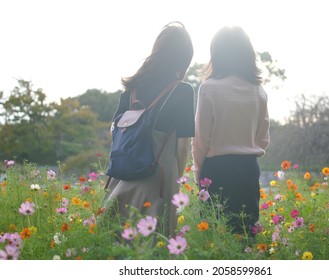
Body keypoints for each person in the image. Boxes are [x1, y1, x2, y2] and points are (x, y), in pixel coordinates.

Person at [103, 22, 195, 238]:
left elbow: (114, 130)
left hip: (121, 177)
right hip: (158, 179)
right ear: (184, 57)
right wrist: (176, 180)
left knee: (113, 242)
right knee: (154, 244)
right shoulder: (182, 90)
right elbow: (183, 147)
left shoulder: (132, 87)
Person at [191, 26, 270, 235]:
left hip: (216, 171)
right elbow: (263, 139)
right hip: (248, 170)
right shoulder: (259, 91)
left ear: (216, 53)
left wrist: (199, 173)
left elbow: (200, 140)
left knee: (213, 237)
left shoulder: (208, 89)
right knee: (245, 233)